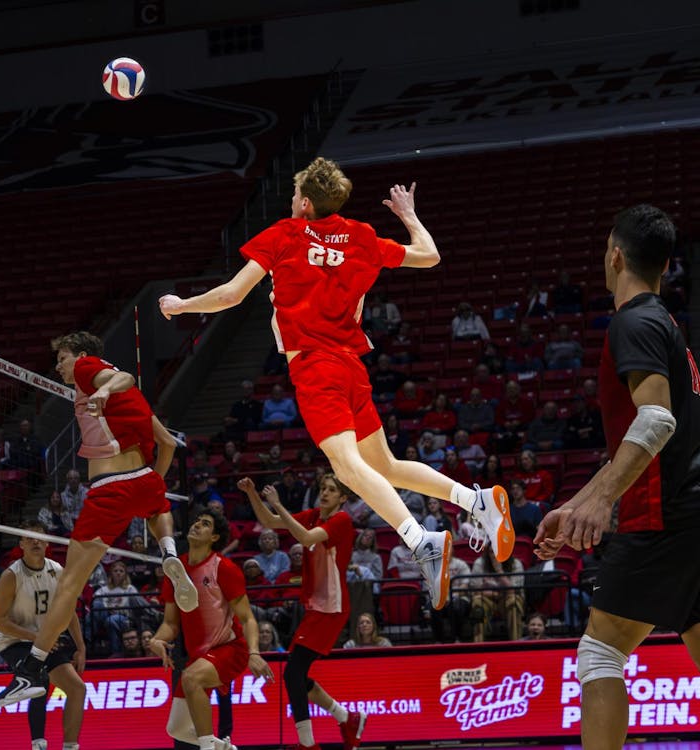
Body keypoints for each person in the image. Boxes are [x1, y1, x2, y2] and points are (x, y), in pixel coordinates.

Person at [159, 159, 514, 612]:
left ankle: (419, 539)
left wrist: (181, 304)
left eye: (294, 195)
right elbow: (429, 255)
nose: (291, 202)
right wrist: (408, 215)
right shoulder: (361, 236)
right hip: (350, 365)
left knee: (346, 468)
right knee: (383, 465)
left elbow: (231, 295)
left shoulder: (285, 234)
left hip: (315, 367)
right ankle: (476, 500)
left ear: (305, 203)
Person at [533, 205, 700, 750]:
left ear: (615, 257)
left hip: (664, 515)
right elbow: (642, 438)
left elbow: (656, 421)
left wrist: (601, 502)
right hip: (689, 512)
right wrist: (577, 502)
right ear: (666, 265)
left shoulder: (633, 322)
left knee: (601, 652)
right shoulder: (666, 325)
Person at [0, 331, 197, 706]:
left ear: (82, 355)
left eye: (62, 358)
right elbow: (168, 443)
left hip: (109, 487)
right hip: (143, 478)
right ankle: (168, 551)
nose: (59, 366)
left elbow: (124, 378)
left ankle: (31, 670)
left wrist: (102, 390)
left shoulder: (88, 369)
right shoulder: (134, 401)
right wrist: (152, 482)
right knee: (157, 507)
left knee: (69, 586)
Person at [239, 474, 366, 750]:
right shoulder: (314, 515)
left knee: (293, 673)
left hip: (331, 605)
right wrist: (253, 494)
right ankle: (347, 718)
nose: (325, 493)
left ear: (343, 497)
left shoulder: (342, 520)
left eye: (331, 490)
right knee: (296, 674)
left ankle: (308, 743)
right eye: (322, 488)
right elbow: (270, 522)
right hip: (317, 604)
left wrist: (278, 503)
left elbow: (305, 537)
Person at [149, 506, 272, 750]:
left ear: (214, 537)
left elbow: (248, 618)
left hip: (230, 648)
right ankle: (225, 748)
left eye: (205, 524)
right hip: (199, 657)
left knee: (191, 678)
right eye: (197, 521)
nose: (197, 525)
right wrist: (157, 639)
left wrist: (254, 653)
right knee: (176, 729)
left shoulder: (223, 567)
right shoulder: (175, 570)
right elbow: (171, 624)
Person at [0, 520, 85, 750]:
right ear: (21, 543)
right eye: (29, 538)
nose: (35, 541)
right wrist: (35, 637)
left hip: (46, 641)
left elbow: (69, 611)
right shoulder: (11, 575)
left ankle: (70, 746)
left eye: (40, 537)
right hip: (15, 642)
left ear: (47, 543)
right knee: (39, 678)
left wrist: (80, 647)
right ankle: (38, 744)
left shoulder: (57, 570)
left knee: (77, 689)